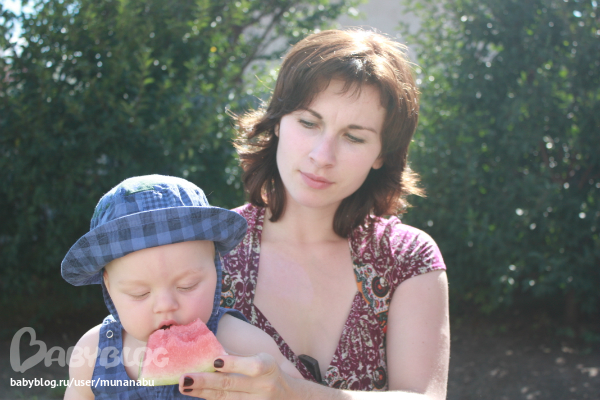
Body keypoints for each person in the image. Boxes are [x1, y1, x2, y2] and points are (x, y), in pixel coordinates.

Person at [180, 29, 450, 399]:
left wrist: (292, 393)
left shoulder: (406, 258)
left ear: (381, 155)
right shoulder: (208, 252)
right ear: (278, 121)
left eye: (354, 137)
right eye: (308, 123)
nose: (322, 156)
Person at [61, 174, 302, 400]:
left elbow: (292, 389)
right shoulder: (92, 353)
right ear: (108, 286)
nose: (165, 305)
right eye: (140, 293)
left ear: (216, 271)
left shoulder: (242, 342)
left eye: (188, 285)